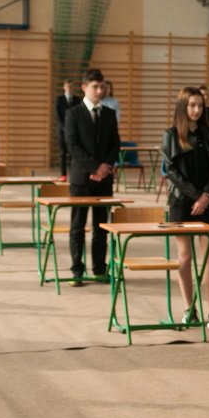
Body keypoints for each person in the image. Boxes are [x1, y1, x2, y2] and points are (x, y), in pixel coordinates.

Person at [161, 87, 209, 332]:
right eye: (192, 105)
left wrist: (206, 195)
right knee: (185, 257)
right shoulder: (171, 135)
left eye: (200, 105)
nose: (197, 110)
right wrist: (196, 196)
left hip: (207, 201)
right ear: (183, 107)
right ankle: (189, 309)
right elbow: (171, 171)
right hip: (182, 201)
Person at [63, 69, 120, 287]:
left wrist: (105, 167)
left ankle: (99, 268)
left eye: (102, 86)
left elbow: (115, 144)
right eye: (95, 86)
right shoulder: (73, 113)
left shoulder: (109, 114)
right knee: (78, 226)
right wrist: (95, 167)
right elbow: (73, 145)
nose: (99, 90)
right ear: (84, 87)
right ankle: (77, 270)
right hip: (81, 178)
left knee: (101, 226)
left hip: (104, 179)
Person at [54, 80, 76, 177]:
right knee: (62, 153)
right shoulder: (59, 99)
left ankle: (72, 174)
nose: (69, 89)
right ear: (64, 87)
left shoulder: (77, 100)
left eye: (71, 86)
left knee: (73, 153)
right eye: (67, 86)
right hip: (62, 131)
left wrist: (72, 128)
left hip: (73, 131)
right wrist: (65, 128)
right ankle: (63, 175)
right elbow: (58, 116)